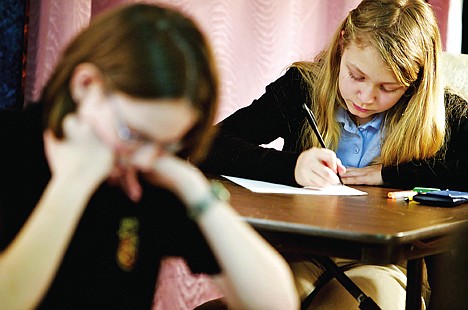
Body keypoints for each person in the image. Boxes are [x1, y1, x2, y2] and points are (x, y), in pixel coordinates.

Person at [0, 4, 299, 310]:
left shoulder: (149, 173)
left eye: (168, 144)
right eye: (133, 134)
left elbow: (277, 304)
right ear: (86, 85)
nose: (145, 158)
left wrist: (193, 187)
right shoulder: (12, 145)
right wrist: (72, 184)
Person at [200, 0, 468, 308]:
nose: (366, 97)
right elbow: (210, 145)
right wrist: (293, 167)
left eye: (389, 87)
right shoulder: (302, 88)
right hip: (303, 253)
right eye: (356, 76)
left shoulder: (441, 113)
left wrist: (391, 174)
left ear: (416, 81)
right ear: (342, 45)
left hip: (389, 264)